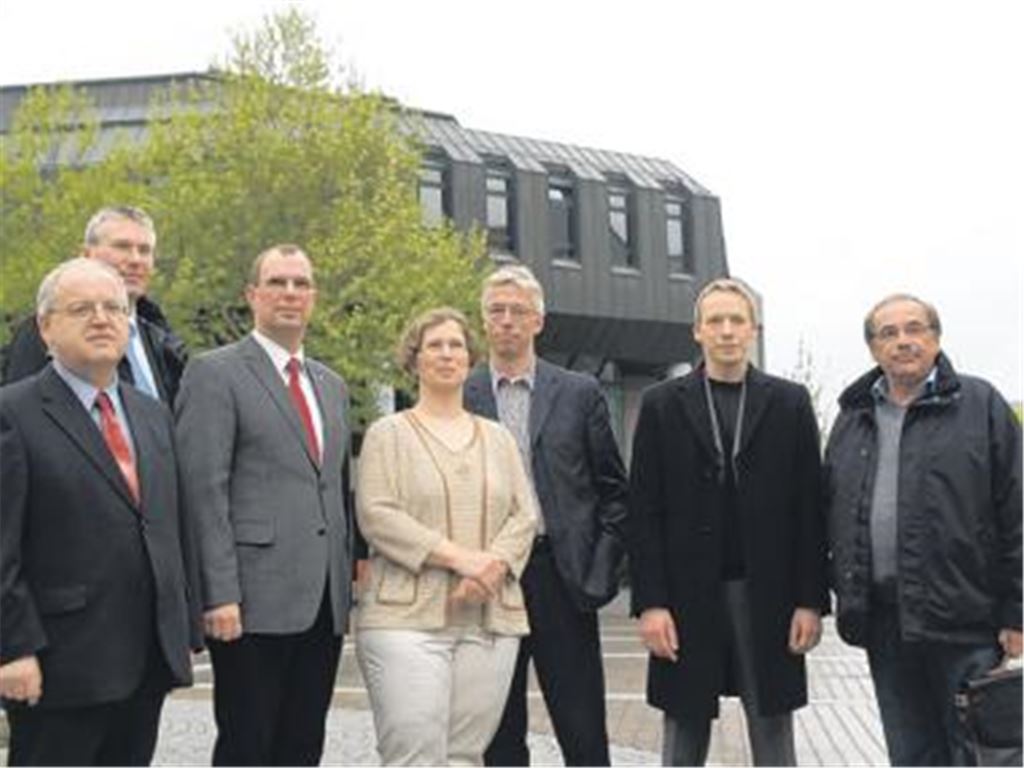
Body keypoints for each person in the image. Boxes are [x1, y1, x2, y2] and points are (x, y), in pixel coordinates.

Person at [0, 258, 199, 766]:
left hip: (144, 658)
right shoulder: (13, 414)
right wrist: (12, 648)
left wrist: (185, 626)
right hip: (59, 663)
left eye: (114, 308)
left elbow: (172, 524)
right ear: (46, 327)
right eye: (81, 308)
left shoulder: (151, 413)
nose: (102, 318)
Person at [628, 277, 828, 766]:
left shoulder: (790, 402)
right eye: (715, 321)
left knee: (773, 728)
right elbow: (643, 512)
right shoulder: (661, 404)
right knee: (683, 726)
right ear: (696, 331)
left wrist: (810, 601)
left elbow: (810, 509)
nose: (726, 330)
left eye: (736, 320)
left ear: (753, 330)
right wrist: (650, 604)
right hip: (685, 592)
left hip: (769, 591)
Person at [824, 293, 1022, 766]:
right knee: (911, 753)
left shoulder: (982, 406)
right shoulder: (853, 419)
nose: (903, 341)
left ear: (935, 338)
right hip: (886, 625)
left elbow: (1017, 513)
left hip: (968, 623)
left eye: (914, 329)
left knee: (983, 753)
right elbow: (829, 511)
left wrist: (1018, 612)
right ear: (873, 349)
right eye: (888, 334)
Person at [174, 244, 353, 766]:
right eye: (277, 282)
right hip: (250, 603)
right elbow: (203, 490)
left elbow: (333, 490)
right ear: (252, 294)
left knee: (302, 745)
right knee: (247, 746)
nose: (290, 294)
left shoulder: (331, 385)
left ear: (314, 297)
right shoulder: (215, 374)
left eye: (301, 283)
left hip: (323, 602)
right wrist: (218, 594)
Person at [355, 307, 537, 766]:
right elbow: (377, 514)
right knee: (414, 754)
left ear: (470, 359)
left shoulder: (498, 439)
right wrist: (461, 560)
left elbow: (524, 514)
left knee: (465, 757)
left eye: (456, 345)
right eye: (434, 346)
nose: (446, 354)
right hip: (405, 621)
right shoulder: (387, 434)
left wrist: (491, 568)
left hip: (490, 618)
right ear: (413, 360)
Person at [463, 265, 629, 766]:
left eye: (519, 311)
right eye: (497, 311)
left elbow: (615, 494)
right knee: (498, 733)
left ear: (539, 320)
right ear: (484, 320)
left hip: (562, 575)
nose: (508, 320)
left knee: (582, 732)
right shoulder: (462, 395)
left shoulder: (579, 393)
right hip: (489, 580)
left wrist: (599, 573)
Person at [2, 205, 188, 404]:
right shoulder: (47, 331)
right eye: (122, 246)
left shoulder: (158, 340)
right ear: (86, 255)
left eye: (144, 250)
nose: (136, 260)